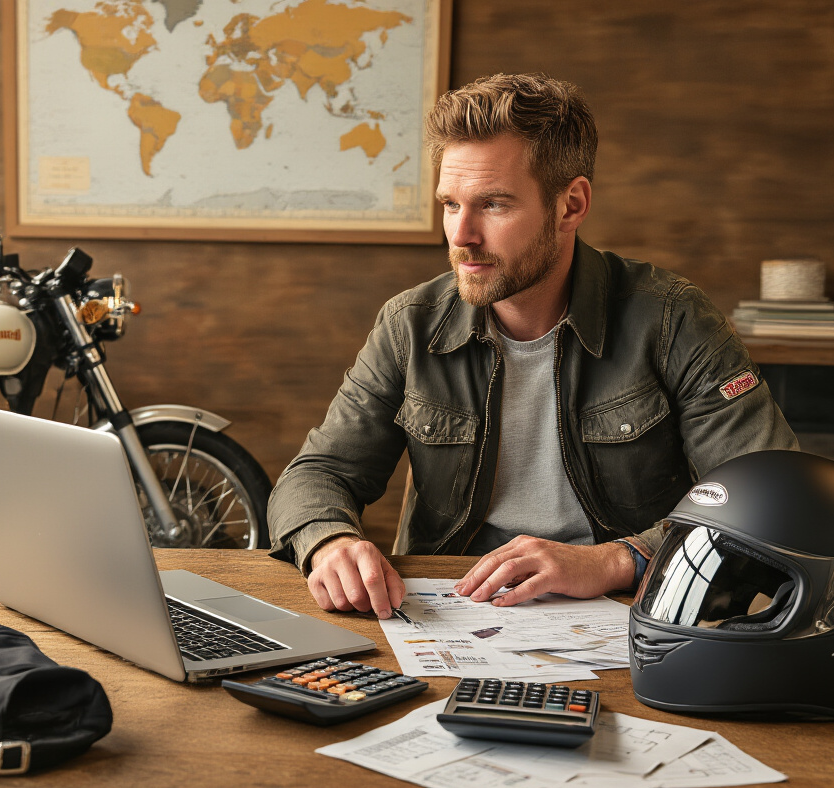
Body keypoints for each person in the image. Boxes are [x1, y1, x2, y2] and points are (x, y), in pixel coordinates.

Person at [267, 73, 797, 619]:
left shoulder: (672, 319)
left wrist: (618, 560)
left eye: (493, 205)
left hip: (629, 615)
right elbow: (315, 474)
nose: (461, 235)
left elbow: (771, 496)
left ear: (571, 205)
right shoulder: (410, 324)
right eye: (451, 204)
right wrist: (328, 542)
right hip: (447, 616)